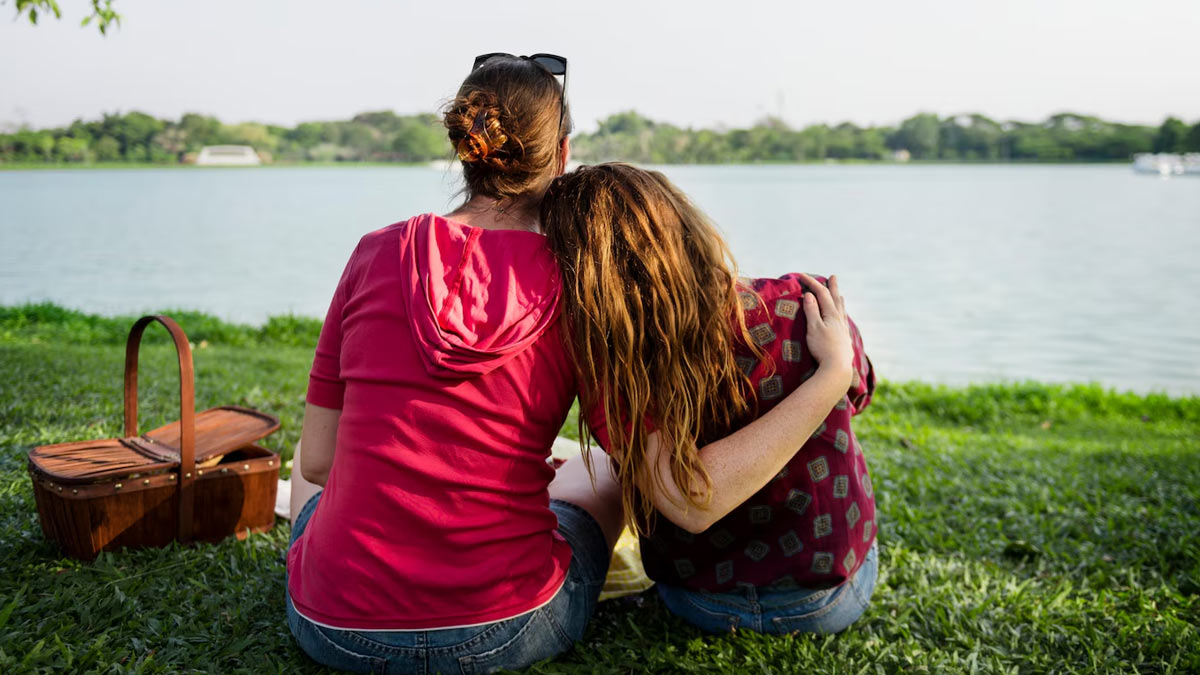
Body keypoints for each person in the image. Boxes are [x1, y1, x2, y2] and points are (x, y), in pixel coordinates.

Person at [283, 54, 628, 673]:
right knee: (602, 472)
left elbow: (316, 462)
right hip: (504, 626)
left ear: (465, 148)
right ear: (562, 154)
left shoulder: (374, 252)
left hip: (335, 626)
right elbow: (626, 448)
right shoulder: (577, 279)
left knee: (306, 466)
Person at [540, 163, 879, 635]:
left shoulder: (615, 369)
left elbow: (686, 501)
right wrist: (832, 373)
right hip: (826, 598)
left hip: (701, 600)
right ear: (684, 224)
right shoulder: (803, 303)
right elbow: (860, 392)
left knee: (602, 466)